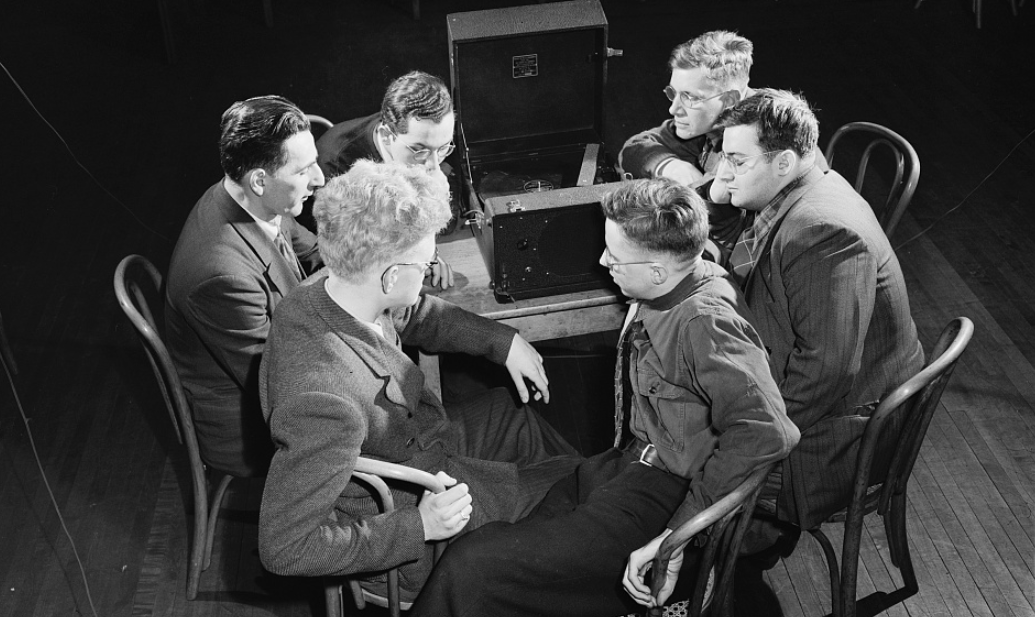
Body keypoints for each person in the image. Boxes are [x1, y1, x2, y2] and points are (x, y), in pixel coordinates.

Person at [409, 178, 799, 617]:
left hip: (666, 494)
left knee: (473, 565)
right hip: (625, 468)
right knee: (507, 540)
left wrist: (677, 537)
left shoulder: (703, 323)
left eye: (615, 255)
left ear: (656, 270)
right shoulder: (678, 278)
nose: (601, 260)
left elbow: (768, 431)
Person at [257, 160, 582, 602]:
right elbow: (284, 548)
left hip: (415, 446)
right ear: (391, 276)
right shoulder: (322, 399)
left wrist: (502, 342)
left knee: (516, 420)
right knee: (580, 486)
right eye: (425, 262)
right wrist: (419, 526)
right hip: (410, 524)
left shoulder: (333, 288)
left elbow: (413, 313)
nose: (430, 269)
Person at [713, 89, 925, 563]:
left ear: (784, 161)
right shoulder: (795, 192)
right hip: (828, 395)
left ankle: (726, 557)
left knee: (695, 456)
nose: (721, 174)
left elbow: (826, 373)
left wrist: (748, 436)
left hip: (840, 438)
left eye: (736, 160)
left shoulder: (823, 231)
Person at [164, 95, 325, 477]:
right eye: (305, 170)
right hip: (251, 431)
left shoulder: (252, 198)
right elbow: (282, 384)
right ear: (259, 180)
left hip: (287, 366)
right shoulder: (221, 277)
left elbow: (317, 253)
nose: (319, 179)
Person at [314, 70, 457, 287]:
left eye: (444, 148)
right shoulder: (335, 165)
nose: (433, 165)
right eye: (420, 151)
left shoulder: (431, 144)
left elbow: (452, 222)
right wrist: (422, 255)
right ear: (386, 136)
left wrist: (430, 253)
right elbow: (351, 253)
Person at [617, 31, 753, 192]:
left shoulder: (753, 142)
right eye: (673, 93)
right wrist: (669, 166)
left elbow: (709, 204)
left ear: (730, 100)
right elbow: (635, 146)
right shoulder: (711, 122)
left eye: (690, 98)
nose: (673, 109)